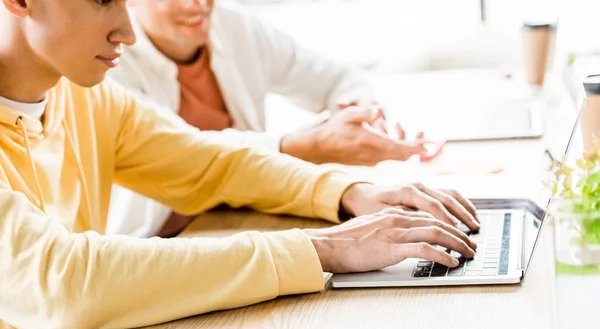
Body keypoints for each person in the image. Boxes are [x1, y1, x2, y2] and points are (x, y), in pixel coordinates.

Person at [0, 0, 479, 329]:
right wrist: (322, 249)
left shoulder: (86, 98)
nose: (127, 31)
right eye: (103, 1)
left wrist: (347, 192)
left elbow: (213, 161)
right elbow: (60, 277)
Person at [106, 0, 427, 237]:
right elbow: (184, 152)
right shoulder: (107, 62)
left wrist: (360, 115)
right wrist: (309, 145)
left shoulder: (234, 26)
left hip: (243, 221)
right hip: (162, 239)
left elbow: (336, 80)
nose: (197, 5)